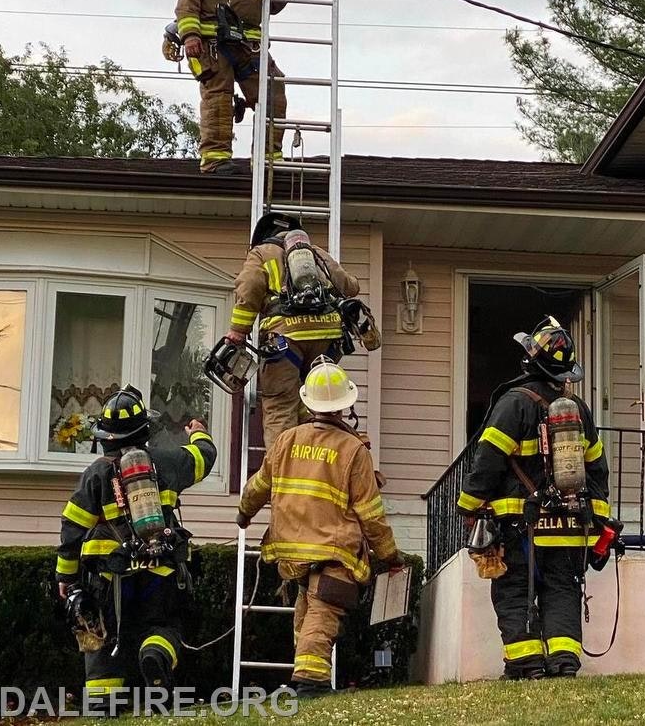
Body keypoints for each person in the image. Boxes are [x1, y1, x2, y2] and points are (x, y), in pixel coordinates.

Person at [237, 356, 402, 697]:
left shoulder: (286, 440)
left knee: (307, 609)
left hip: (292, 547)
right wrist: (390, 555)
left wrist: (244, 513)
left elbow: (258, 486)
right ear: (345, 405)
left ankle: (304, 673)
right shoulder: (353, 450)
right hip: (334, 547)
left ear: (308, 402)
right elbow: (371, 513)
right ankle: (311, 681)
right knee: (323, 612)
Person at [456, 317, 610, 680]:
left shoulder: (513, 404)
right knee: (562, 589)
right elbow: (597, 469)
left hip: (520, 524)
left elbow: (488, 460)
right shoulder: (578, 411)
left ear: (529, 360)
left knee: (514, 590)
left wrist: (468, 505)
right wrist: (598, 519)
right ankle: (563, 662)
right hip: (571, 524)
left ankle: (526, 665)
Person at [55, 385, 217, 709]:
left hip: (108, 580)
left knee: (100, 639)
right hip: (160, 572)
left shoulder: (96, 473)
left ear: (104, 436)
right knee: (162, 625)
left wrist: (67, 578)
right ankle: (154, 654)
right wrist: (200, 434)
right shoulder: (168, 462)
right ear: (146, 430)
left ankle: (103, 706)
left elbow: (72, 531)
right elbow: (204, 458)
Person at [174, 0, 304, 174]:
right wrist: (190, 35)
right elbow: (188, 1)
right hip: (212, 42)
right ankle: (215, 159)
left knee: (274, 90)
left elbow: (274, 3)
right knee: (218, 95)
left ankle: (269, 158)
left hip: (249, 46)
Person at [227, 212, 360, 447]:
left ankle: (282, 471)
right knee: (318, 403)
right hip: (327, 340)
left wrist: (238, 330)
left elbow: (249, 288)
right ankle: (316, 464)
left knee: (280, 405)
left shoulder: (260, 253)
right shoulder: (316, 253)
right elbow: (350, 287)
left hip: (285, 341)